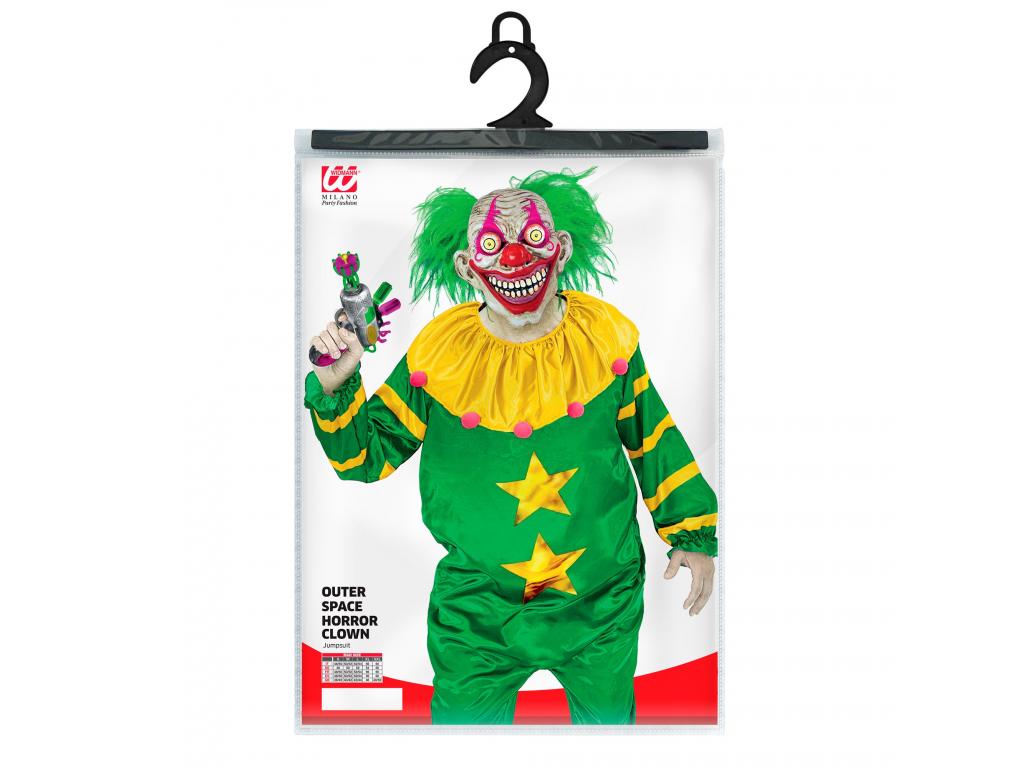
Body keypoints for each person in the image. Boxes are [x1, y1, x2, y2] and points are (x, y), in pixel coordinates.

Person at [304, 168, 718, 725]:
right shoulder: (441, 353)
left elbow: (654, 438)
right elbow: (366, 458)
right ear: (466, 266)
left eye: (533, 238)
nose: (516, 258)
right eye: (493, 245)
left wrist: (692, 532)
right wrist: (336, 387)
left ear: (561, 249)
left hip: (600, 601)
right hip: (477, 612)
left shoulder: (604, 339)